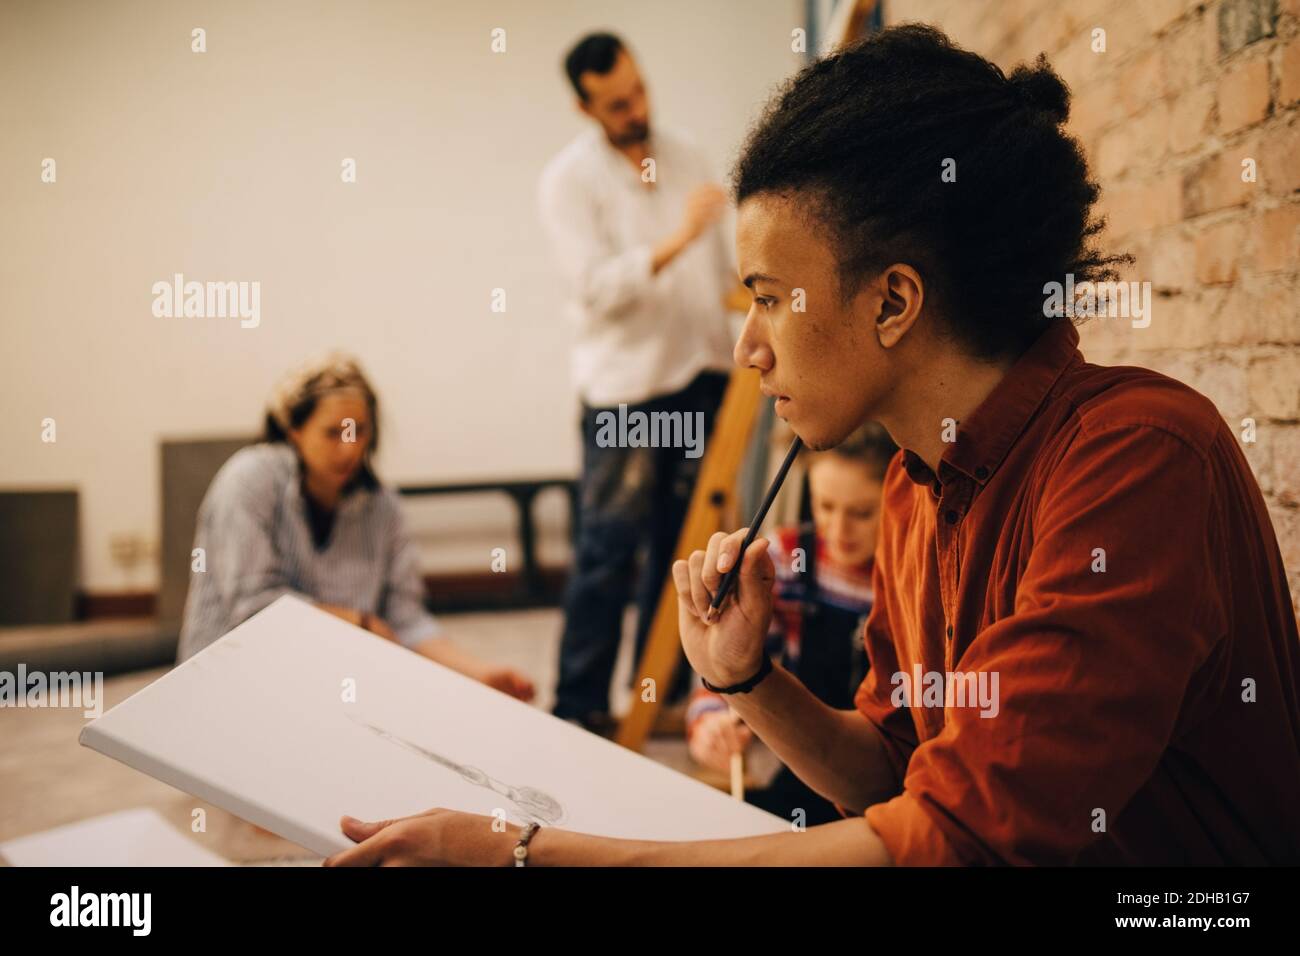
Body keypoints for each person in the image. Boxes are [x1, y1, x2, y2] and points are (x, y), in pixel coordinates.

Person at [326, 26, 1300, 865]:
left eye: (765, 298)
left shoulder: (1139, 458)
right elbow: (892, 773)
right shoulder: (919, 486)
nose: (747, 347)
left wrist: (523, 849)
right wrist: (750, 679)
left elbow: (955, 840)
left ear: (892, 301)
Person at [537, 32, 740, 730]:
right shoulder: (568, 181)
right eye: (617, 102)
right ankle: (579, 707)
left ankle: (658, 698)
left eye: (639, 90)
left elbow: (718, 276)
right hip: (625, 390)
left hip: (701, 374)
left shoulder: (685, 154)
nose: (635, 107)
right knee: (608, 550)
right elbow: (594, 290)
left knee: (683, 548)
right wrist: (676, 239)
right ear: (584, 106)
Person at [177, 354, 535, 702]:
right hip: (231, 687)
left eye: (358, 431)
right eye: (333, 433)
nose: (349, 450)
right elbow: (253, 608)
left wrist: (478, 674)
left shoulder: (383, 506)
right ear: (295, 432)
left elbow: (405, 619)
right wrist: (359, 623)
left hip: (328, 689)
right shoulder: (248, 480)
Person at [686, 424, 896, 824]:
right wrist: (712, 717)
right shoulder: (786, 560)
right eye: (825, 507)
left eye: (862, 513)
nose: (839, 530)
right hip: (808, 773)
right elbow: (741, 660)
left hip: (893, 788)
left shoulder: (913, 574)